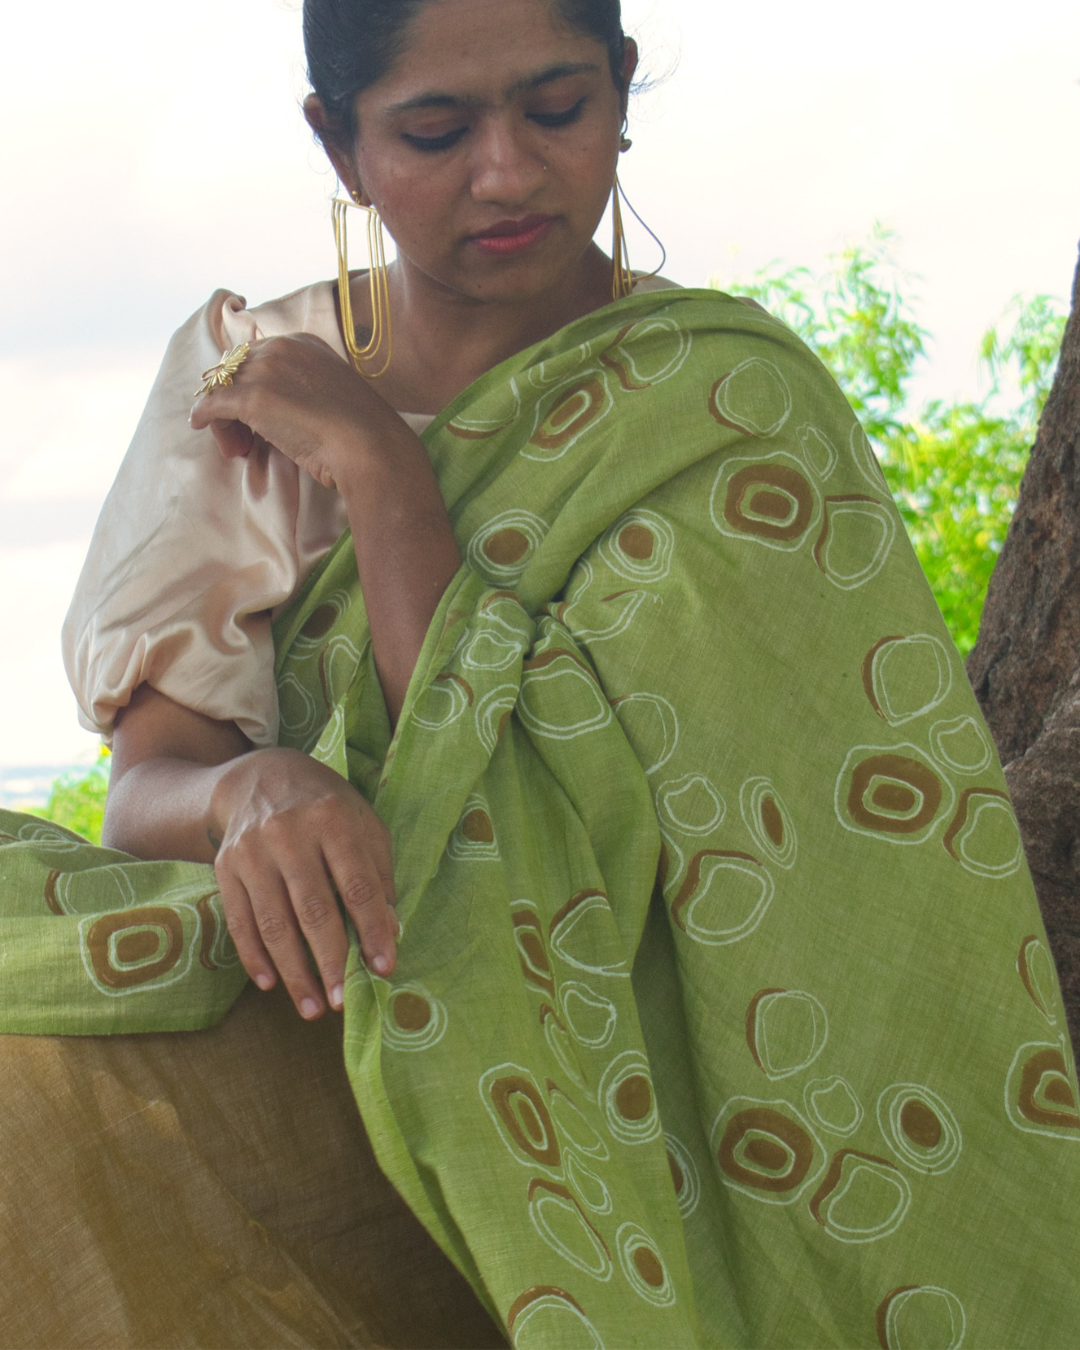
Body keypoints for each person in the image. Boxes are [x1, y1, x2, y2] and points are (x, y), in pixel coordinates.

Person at [1, 0, 1078, 1346]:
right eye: (436, 131)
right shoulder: (247, 380)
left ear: (624, 93)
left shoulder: (729, 414)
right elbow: (146, 785)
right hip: (322, 1002)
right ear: (338, 148)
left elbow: (692, 835)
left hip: (635, 1067)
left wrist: (390, 483)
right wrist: (252, 794)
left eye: (556, 109)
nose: (505, 172)